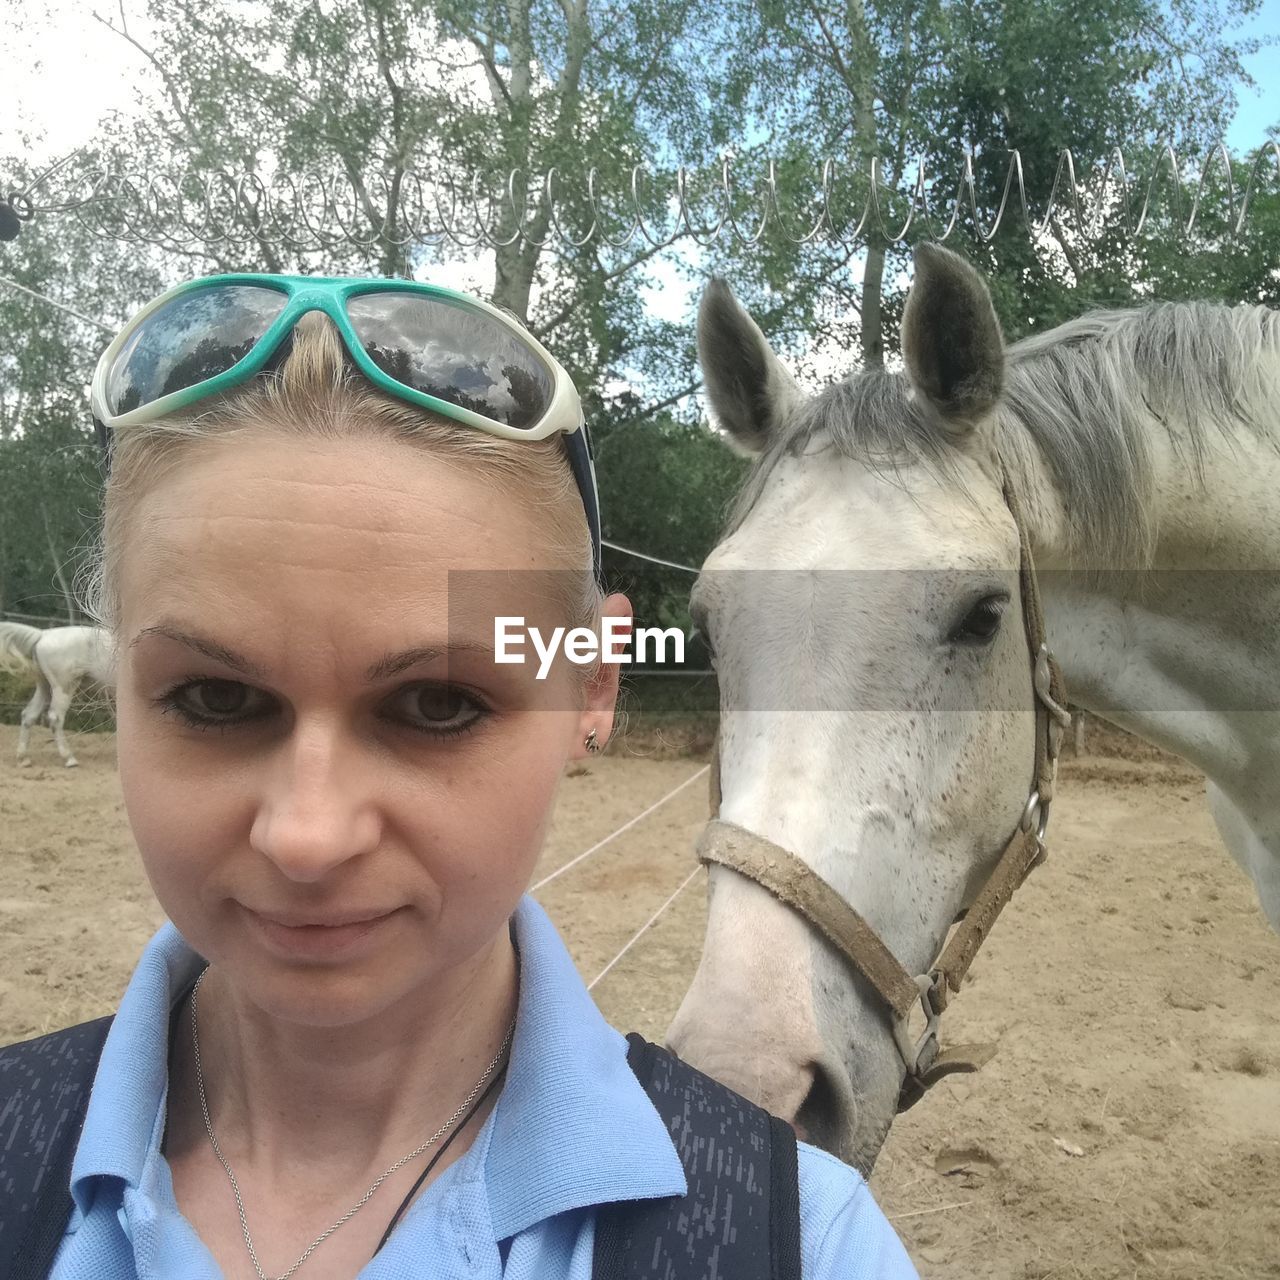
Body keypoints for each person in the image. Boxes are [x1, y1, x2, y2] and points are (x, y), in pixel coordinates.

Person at [0, 274, 919, 1279]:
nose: (309, 835)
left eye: (438, 703)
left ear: (593, 684)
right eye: (216, 699)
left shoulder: (800, 1246)